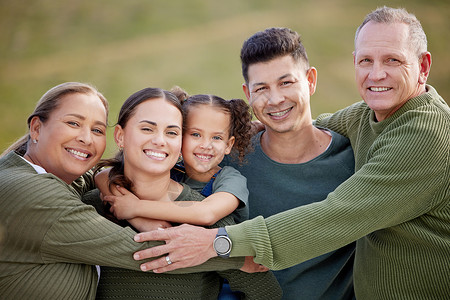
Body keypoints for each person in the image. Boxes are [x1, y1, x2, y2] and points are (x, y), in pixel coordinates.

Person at [131, 6, 450, 299]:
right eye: (366, 61)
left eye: (392, 60)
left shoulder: (423, 134)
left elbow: (334, 217)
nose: (376, 74)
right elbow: (322, 122)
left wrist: (218, 243)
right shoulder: (367, 116)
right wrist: (114, 187)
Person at [0, 82, 261, 299]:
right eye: (73, 123)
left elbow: (98, 174)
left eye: (97, 129)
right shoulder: (29, 192)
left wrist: (117, 192)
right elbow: (139, 250)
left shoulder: (56, 179)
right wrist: (233, 256)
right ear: (36, 128)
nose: (86, 138)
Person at [86, 87, 282, 299]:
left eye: (171, 132)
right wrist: (139, 218)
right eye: (195, 134)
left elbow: (206, 213)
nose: (205, 145)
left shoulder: (225, 186)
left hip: (225, 259)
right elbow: (105, 173)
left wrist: (135, 208)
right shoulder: (95, 202)